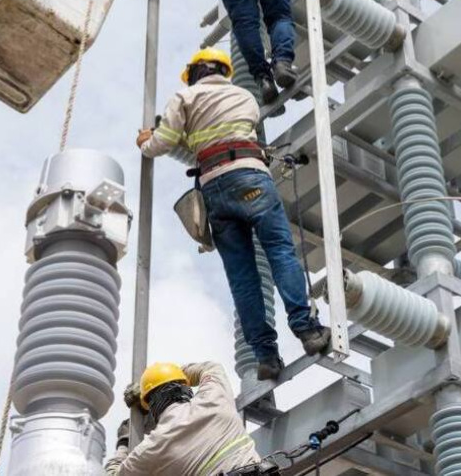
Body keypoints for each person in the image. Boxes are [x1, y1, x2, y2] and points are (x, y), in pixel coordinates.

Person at [137, 48, 329, 378]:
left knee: (243, 278)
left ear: (194, 72)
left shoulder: (185, 97)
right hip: (250, 175)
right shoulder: (244, 98)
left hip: (214, 189)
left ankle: (266, 357)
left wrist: (146, 140)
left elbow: (162, 143)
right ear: (223, 72)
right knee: (280, 252)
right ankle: (307, 330)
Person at [105, 362, 261, 476]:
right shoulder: (216, 399)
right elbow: (211, 368)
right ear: (185, 387)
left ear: (152, 407)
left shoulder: (153, 448)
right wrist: (174, 373)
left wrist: (124, 443)